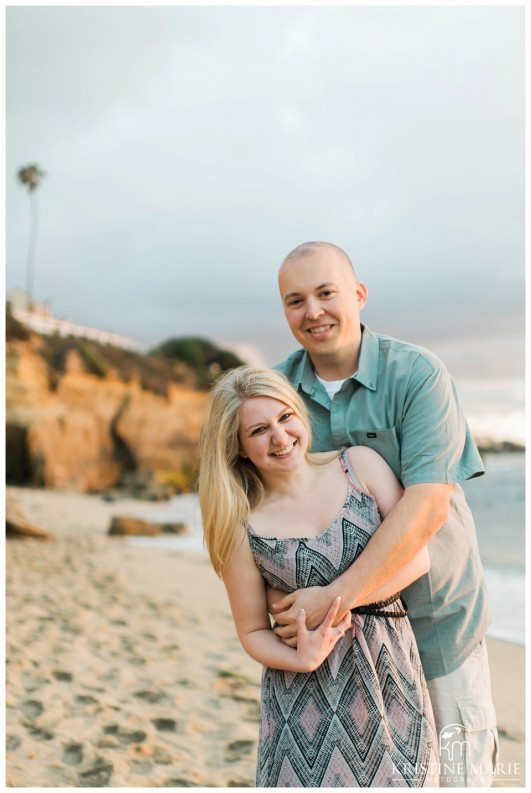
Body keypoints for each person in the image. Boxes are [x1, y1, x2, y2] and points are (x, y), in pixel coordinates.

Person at [271, 240, 498, 787]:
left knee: (459, 780)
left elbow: (426, 508)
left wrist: (332, 597)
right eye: (295, 300)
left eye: (327, 293)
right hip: (338, 647)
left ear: (359, 294)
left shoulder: (417, 375)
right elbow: (241, 499)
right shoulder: (276, 393)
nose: (313, 312)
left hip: (437, 624)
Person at [198, 365, 439, 787]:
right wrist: (299, 658)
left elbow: (417, 559)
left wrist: (331, 599)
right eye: (258, 430)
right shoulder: (242, 522)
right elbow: (253, 630)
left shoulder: (358, 466)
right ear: (237, 447)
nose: (279, 437)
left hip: (389, 672)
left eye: (285, 417)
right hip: (302, 693)